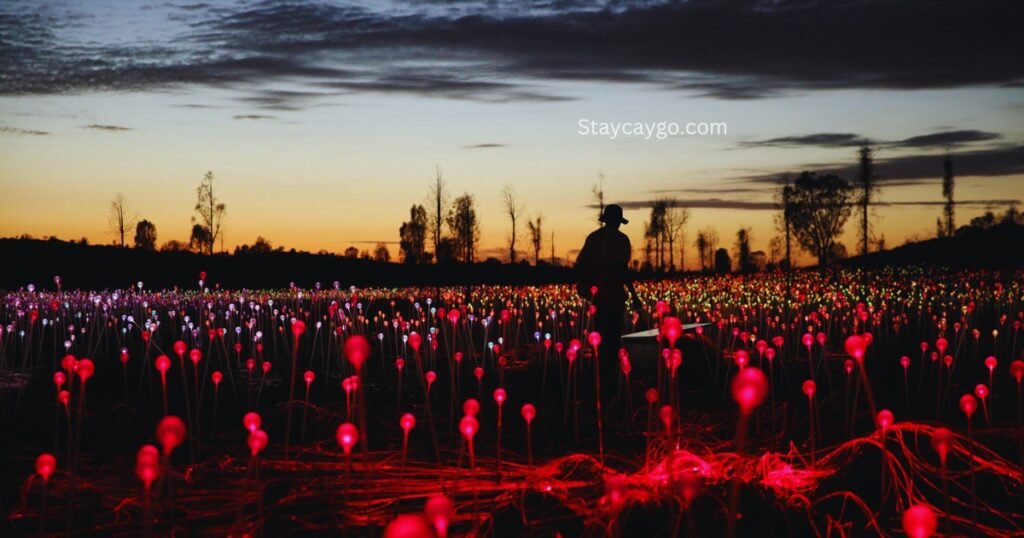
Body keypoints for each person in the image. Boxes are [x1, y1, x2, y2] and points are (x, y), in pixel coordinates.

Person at [575, 204, 638, 403]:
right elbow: (622, 270)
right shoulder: (621, 240)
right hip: (614, 296)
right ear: (617, 221)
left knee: (601, 337)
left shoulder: (593, 239)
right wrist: (634, 295)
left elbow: (581, 265)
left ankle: (599, 379)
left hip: (598, 298)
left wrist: (588, 287)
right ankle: (609, 382)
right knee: (613, 338)